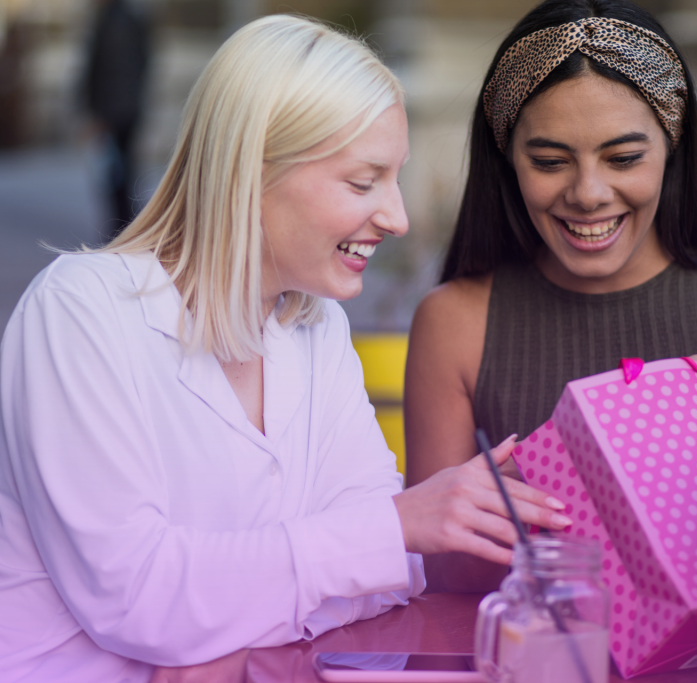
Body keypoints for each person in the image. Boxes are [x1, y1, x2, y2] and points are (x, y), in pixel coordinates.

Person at [0, 16, 568, 683]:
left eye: (395, 179)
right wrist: (386, 532)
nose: (398, 217)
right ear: (250, 171)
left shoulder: (313, 327)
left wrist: (227, 649)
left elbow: (392, 575)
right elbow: (138, 596)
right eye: (363, 182)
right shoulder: (78, 311)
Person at [404, 0, 697, 591]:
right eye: (550, 161)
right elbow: (444, 578)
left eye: (624, 158)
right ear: (507, 159)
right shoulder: (454, 320)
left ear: (673, 145)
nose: (588, 193)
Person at [80, 0, 151, 240]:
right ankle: (124, 228)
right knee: (123, 172)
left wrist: (98, 113)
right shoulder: (131, 18)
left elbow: (105, 72)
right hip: (129, 108)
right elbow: (144, 62)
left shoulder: (111, 22)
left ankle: (120, 230)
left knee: (115, 175)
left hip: (113, 111)